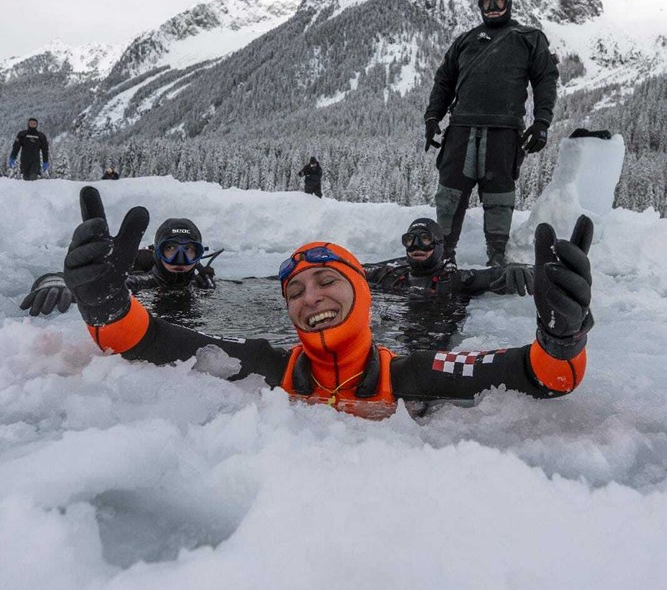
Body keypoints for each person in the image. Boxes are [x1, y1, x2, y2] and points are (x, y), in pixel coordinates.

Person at [60, 187, 593, 420]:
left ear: (361, 292)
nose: (309, 298)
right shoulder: (268, 367)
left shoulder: (414, 373)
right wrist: (108, 310)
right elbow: (153, 340)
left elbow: (540, 376)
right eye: (294, 292)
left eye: (324, 282)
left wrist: (561, 340)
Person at [424, 0, 558, 267]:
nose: (493, 8)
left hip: (505, 131)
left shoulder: (529, 38)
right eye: (488, 2)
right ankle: (443, 254)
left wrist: (542, 121)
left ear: (509, 3)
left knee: (500, 197)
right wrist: (432, 117)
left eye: (499, 2)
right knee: (449, 195)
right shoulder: (465, 40)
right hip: (460, 129)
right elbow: (444, 81)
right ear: (479, 5)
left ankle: (496, 257)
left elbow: (546, 79)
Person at [19, 216, 218, 317]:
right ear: (157, 251)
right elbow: (94, 282)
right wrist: (59, 282)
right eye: (171, 248)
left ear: (199, 255)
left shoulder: (203, 284)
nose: (179, 259)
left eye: (190, 250)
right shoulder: (144, 282)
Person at [364, 217, 534, 297]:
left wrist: (518, 269)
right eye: (410, 240)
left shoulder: (455, 281)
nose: (417, 246)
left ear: (439, 245)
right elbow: (351, 268)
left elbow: (492, 275)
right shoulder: (390, 276)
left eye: (425, 239)